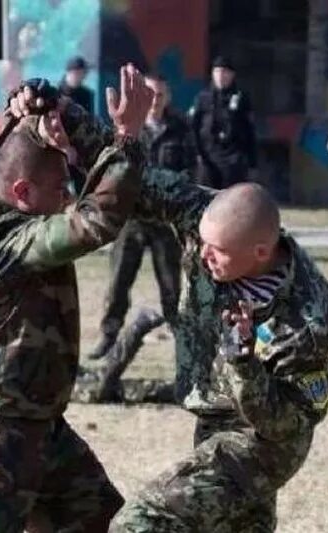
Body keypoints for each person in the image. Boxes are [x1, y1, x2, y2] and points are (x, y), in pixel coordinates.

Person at [16, 82, 328, 533]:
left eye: (219, 253)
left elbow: (287, 425)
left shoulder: (309, 317)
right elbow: (134, 181)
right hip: (212, 418)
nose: (205, 258)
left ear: (262, 252)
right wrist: (60, 110)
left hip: (262, 441)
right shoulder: (208, 215)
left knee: (140, 522)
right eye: (202, 245)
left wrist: (244, 361)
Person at [0, 66, 152, 532]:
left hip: (37, 426)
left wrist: (49, 123)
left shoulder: (13, 216)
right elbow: (95, 222)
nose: (68, 194)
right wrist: (126, 139)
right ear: (22, 193)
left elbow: (58, 184)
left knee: (100, 519)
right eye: (60, 188)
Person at [88, 72, 196, 361]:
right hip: (131, 220)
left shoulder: (181, 129)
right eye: (150, 95)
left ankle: (184, 347)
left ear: (168, 97)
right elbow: (112, 168)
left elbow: (190, 171)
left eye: (160, 95)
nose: (155, 100)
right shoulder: (127, 130)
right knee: (118, 283)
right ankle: (108, 337)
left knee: (172, 288)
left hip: (164, 220)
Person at [190, 55, 258, 189]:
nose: (221, 76)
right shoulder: (203, 98)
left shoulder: (241, 99)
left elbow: (250, 131)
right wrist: (198, 154)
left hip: (233, 160)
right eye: (217, 72)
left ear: (232, 75)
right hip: (208, 159)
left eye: (225, 72)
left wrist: (252, 163)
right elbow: (194, 128)